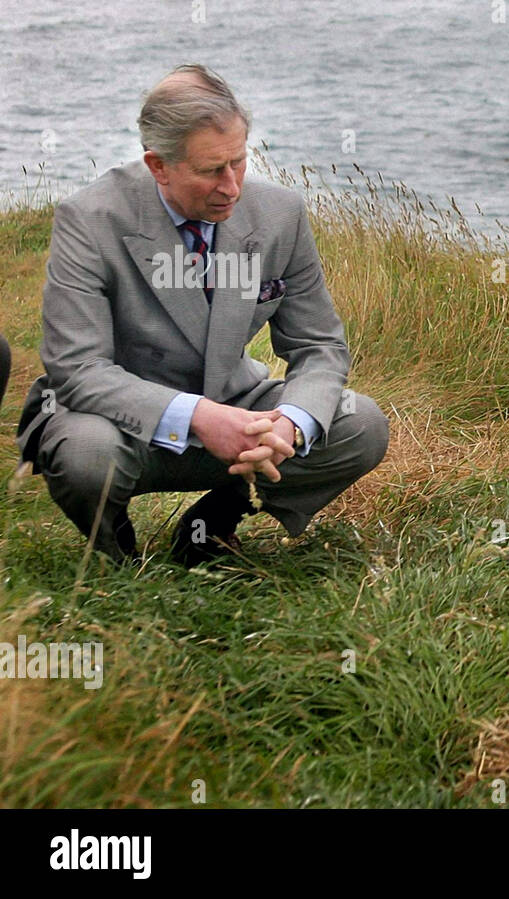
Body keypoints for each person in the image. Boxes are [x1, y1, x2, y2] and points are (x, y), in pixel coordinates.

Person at [14, 64, 388, 566]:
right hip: (118, 422)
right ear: (158, 165)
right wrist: (199, 417)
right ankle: (115, 550)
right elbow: (77, 370)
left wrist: (289, 426)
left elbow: (319, 347)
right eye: (212, 170)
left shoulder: (281, 214)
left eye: (239, 161)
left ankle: (219, 518)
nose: (232, 187)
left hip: (239, 402)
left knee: (360, 424)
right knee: (85, 454)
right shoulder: (89, 219)